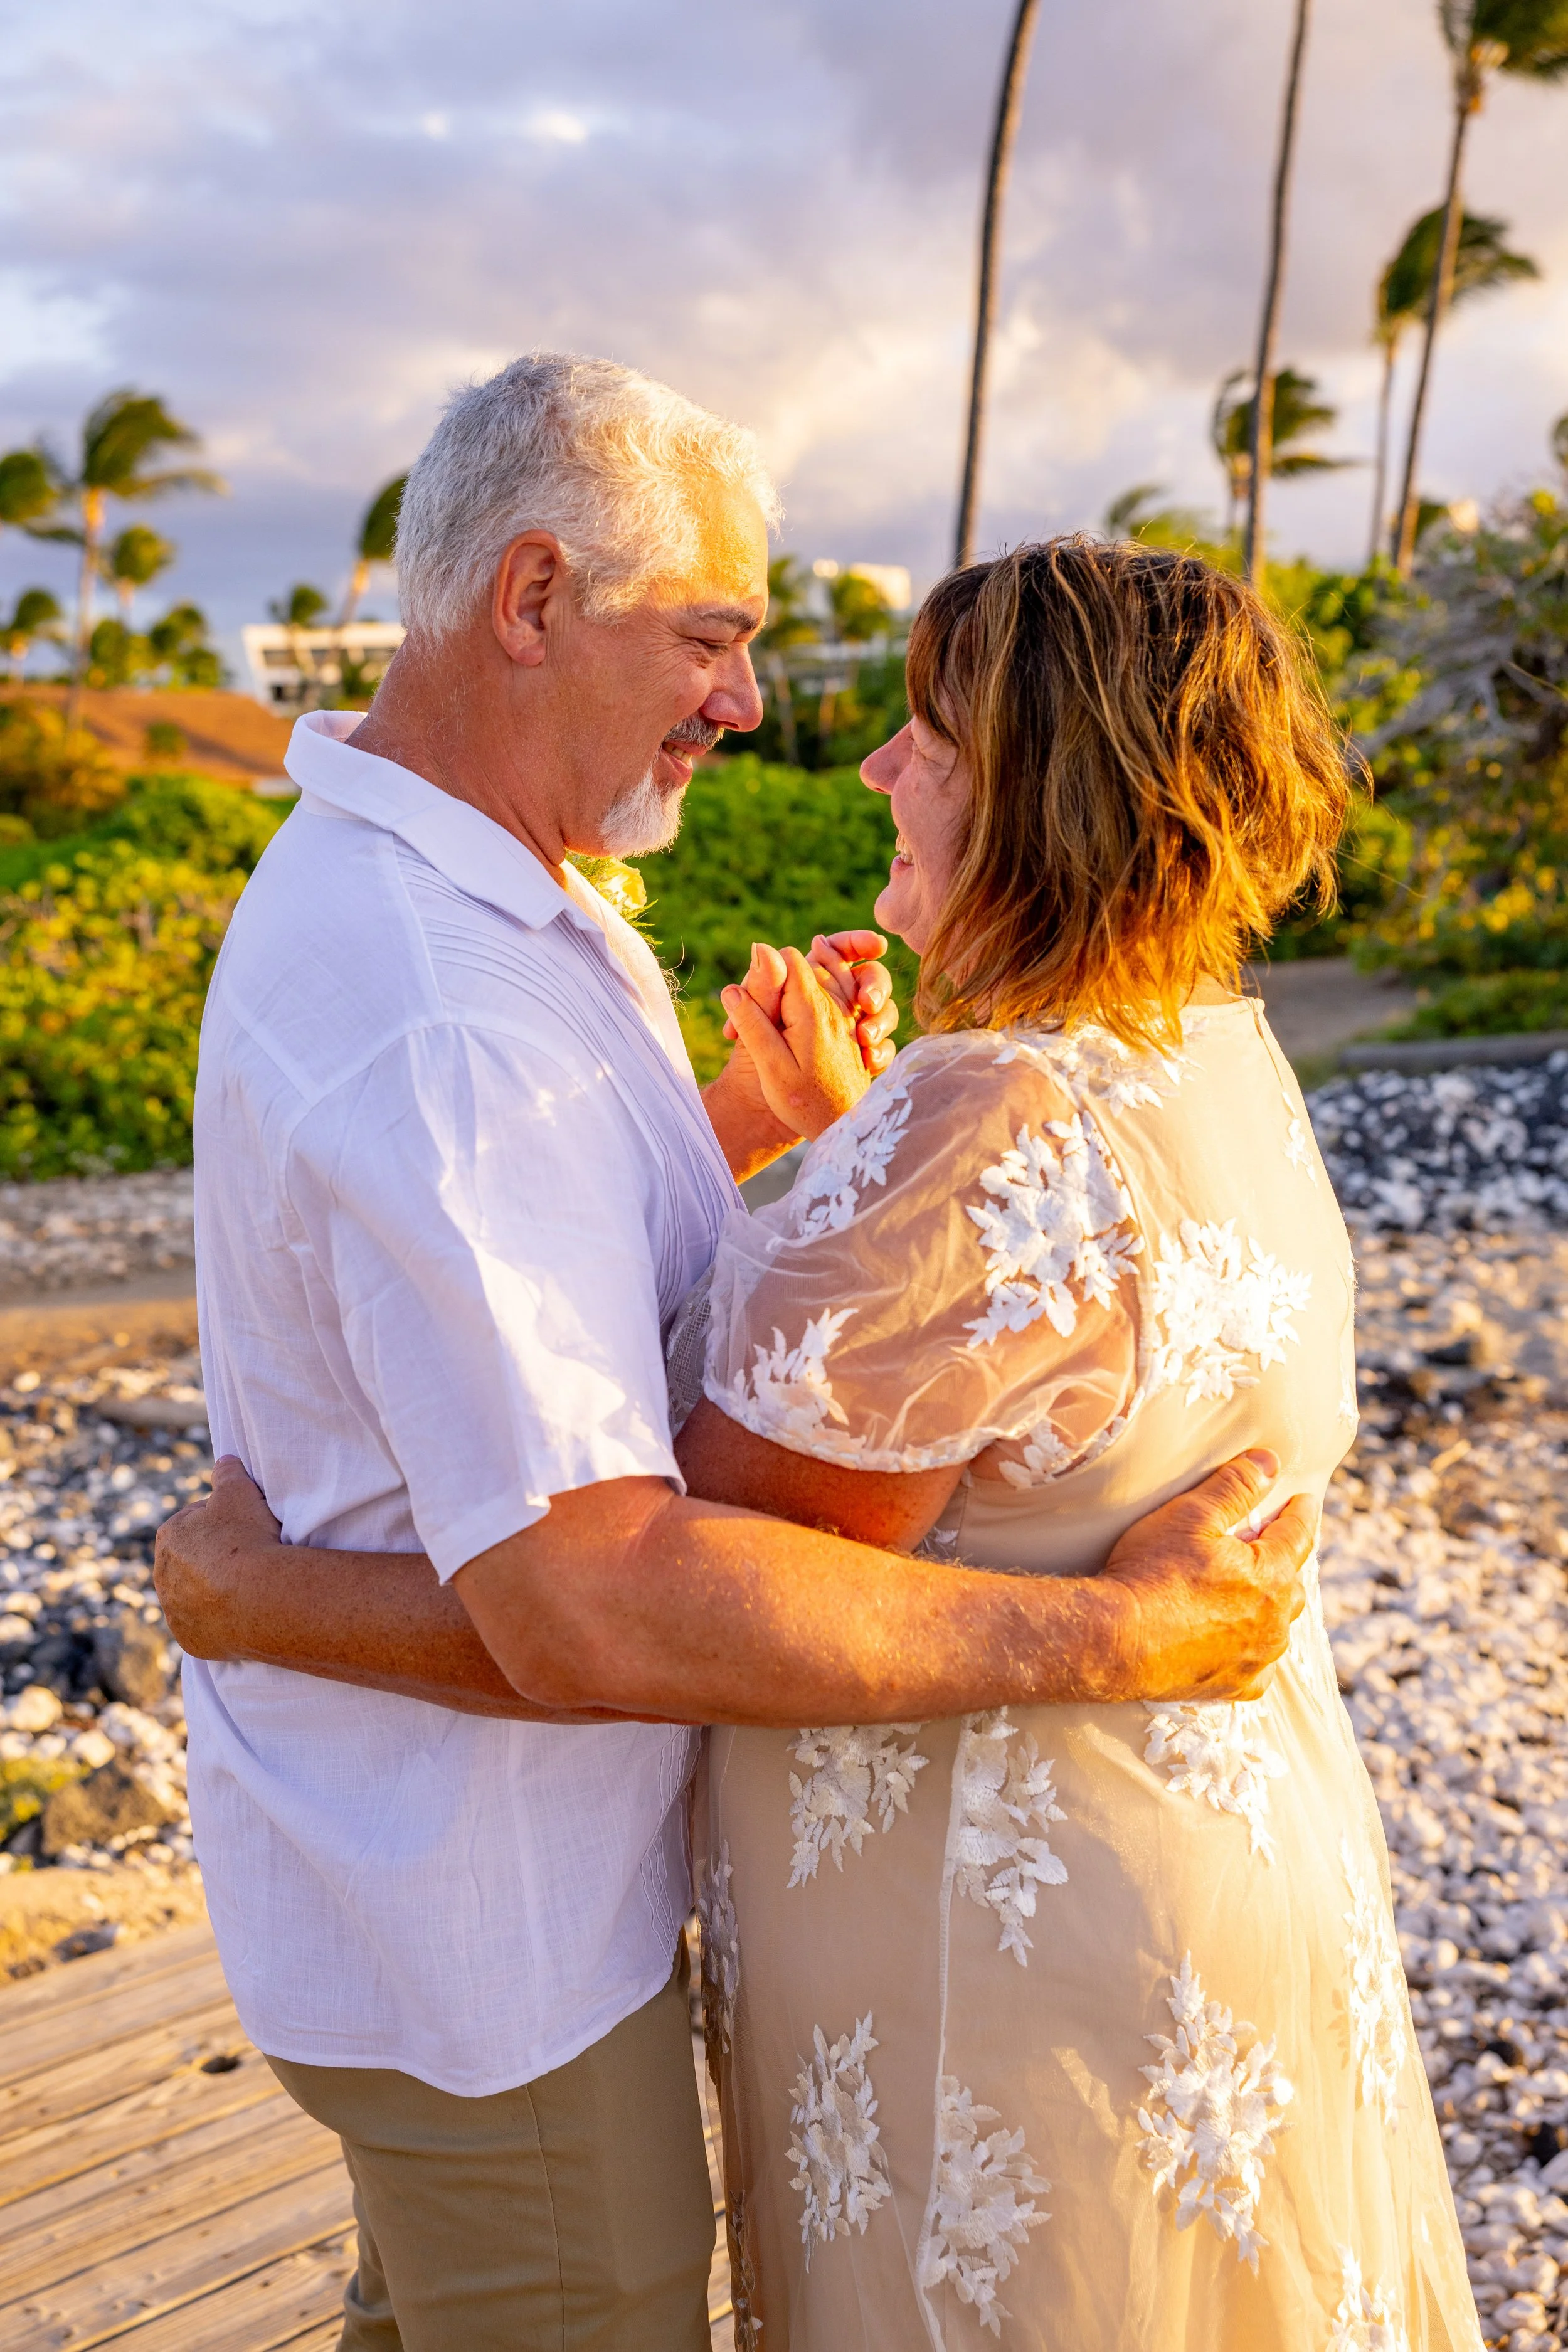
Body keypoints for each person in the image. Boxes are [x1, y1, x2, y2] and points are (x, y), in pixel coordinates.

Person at [157, 357, 1313, 2352]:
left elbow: (533, 1277)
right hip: (491, 1922)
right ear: (529, 601)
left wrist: (740, 1143)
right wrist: (1117, 1637)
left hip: (530, 1895)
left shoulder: (510, 886)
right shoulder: (453, 998)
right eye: (709, 636)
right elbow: (594, 1597)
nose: (763, 710)